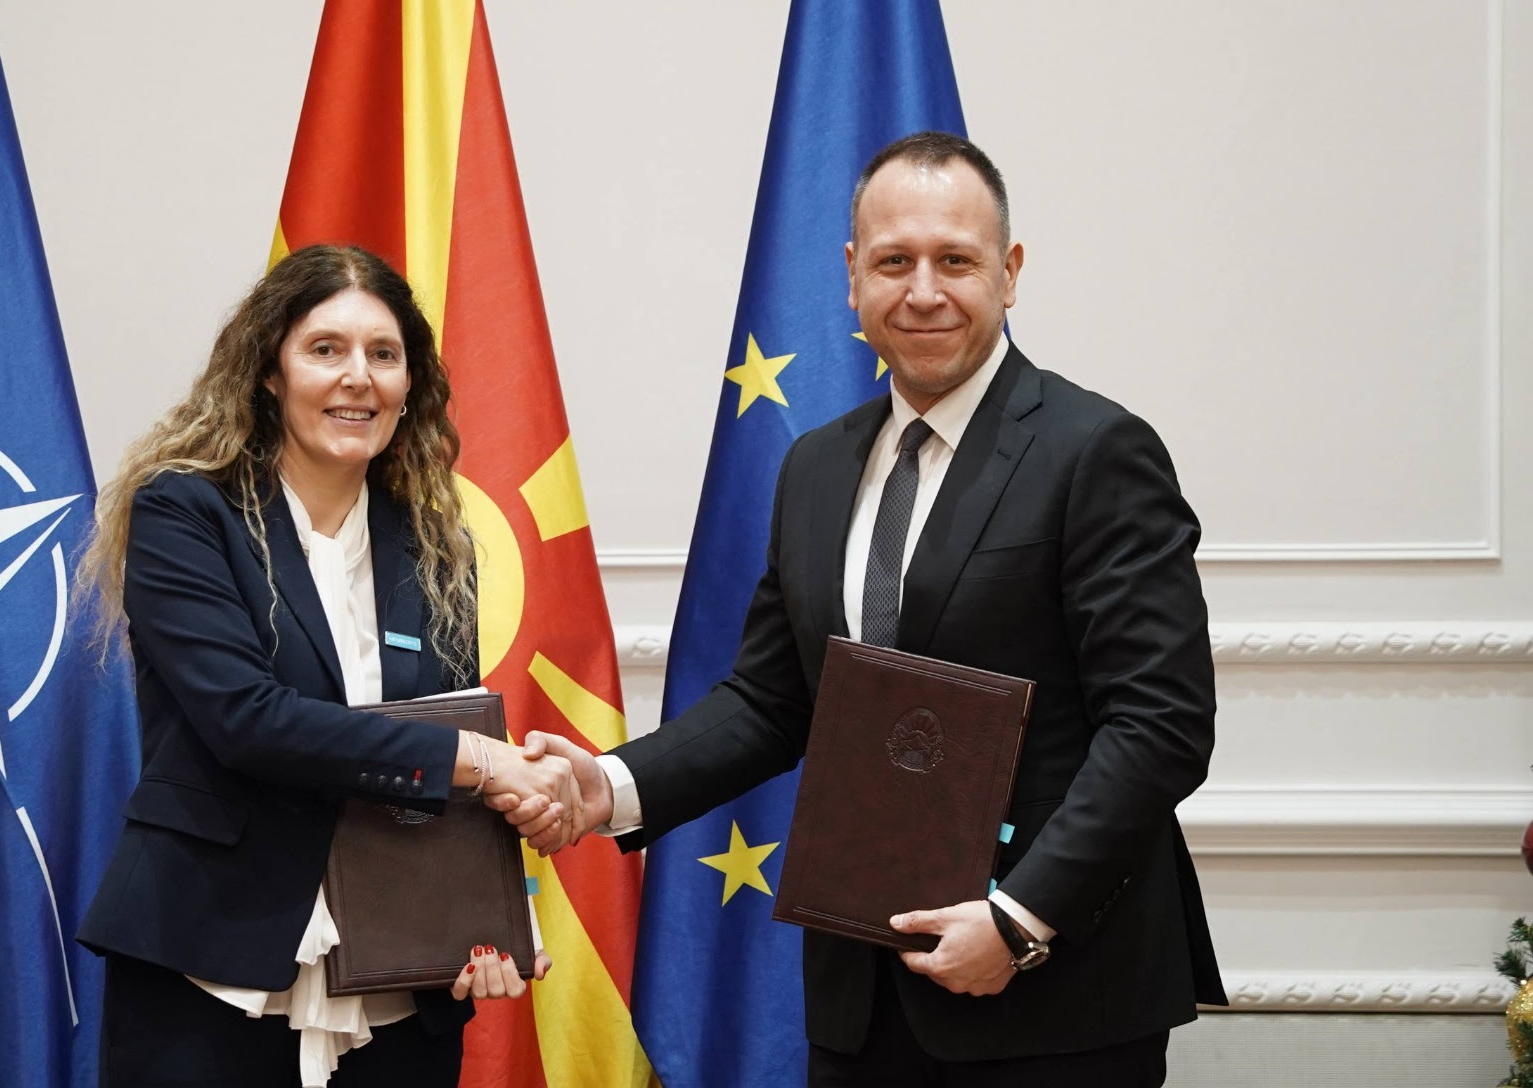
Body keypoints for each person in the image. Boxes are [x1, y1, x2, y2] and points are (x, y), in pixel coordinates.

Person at [497, 132, 1226, 1086]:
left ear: (1009, 273)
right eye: (893, 262)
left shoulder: (1097, 452)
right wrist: (608, 784)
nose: (923, 292)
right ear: (851, 277)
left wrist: (1020, 920)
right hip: (861, 994)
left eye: (955, 261)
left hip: (1056, 996)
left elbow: (1161, 724)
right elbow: (772, 702)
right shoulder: (816, 467)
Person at [77, 244, 580, 1088]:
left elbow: (439, 741)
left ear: (410, 386)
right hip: (211, 970)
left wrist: (480, 919)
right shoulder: (185, 512)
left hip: (396, 990)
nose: (358, 377)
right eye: (325, 349)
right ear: (269, 373)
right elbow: (248, 721)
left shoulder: (436, 548)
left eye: (384, 355)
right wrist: (487, 763)